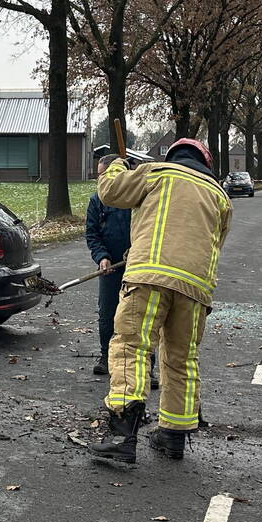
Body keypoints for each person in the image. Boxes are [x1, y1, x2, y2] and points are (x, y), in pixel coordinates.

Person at [87, 138, 232, 464]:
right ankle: (173, 435)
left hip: (149, 279)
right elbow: (214, 242)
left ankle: (122, 435)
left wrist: (117, 165)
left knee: (131, 347)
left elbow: (109, 192)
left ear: (174, 156)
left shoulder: (157, 172)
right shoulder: (220, 195)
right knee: (181, 358)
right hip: (196, 288)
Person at [85, 154, 157, 389]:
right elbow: (92, 234)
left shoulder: (137, 197)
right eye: (98, 174)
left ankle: (148, 367)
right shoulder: (97, 200)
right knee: (108, 314)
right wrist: (102, 257)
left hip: (138, 266)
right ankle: (106, 357)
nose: (100, 178)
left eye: (102, 174)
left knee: (141, 318)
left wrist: (138, 254)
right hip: (111, 268)